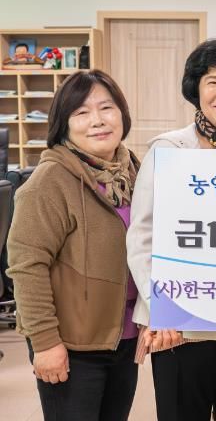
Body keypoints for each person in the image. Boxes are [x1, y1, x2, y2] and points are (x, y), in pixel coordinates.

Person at [127, 38, 216, 421]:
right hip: (180, 328)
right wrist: (161, 307)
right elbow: (142, 237)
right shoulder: (168, 150)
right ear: (197, 89)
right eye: (213, 81)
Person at [7, 69, 140, 420]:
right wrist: (45, 343)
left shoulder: (132, 171)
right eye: (81, 112)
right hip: (72, 345)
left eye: (106, 108)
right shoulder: (49, 182)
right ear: (63, 124)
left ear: (122, 114)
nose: (97, 120)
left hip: (124, 338)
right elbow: (26, 267)